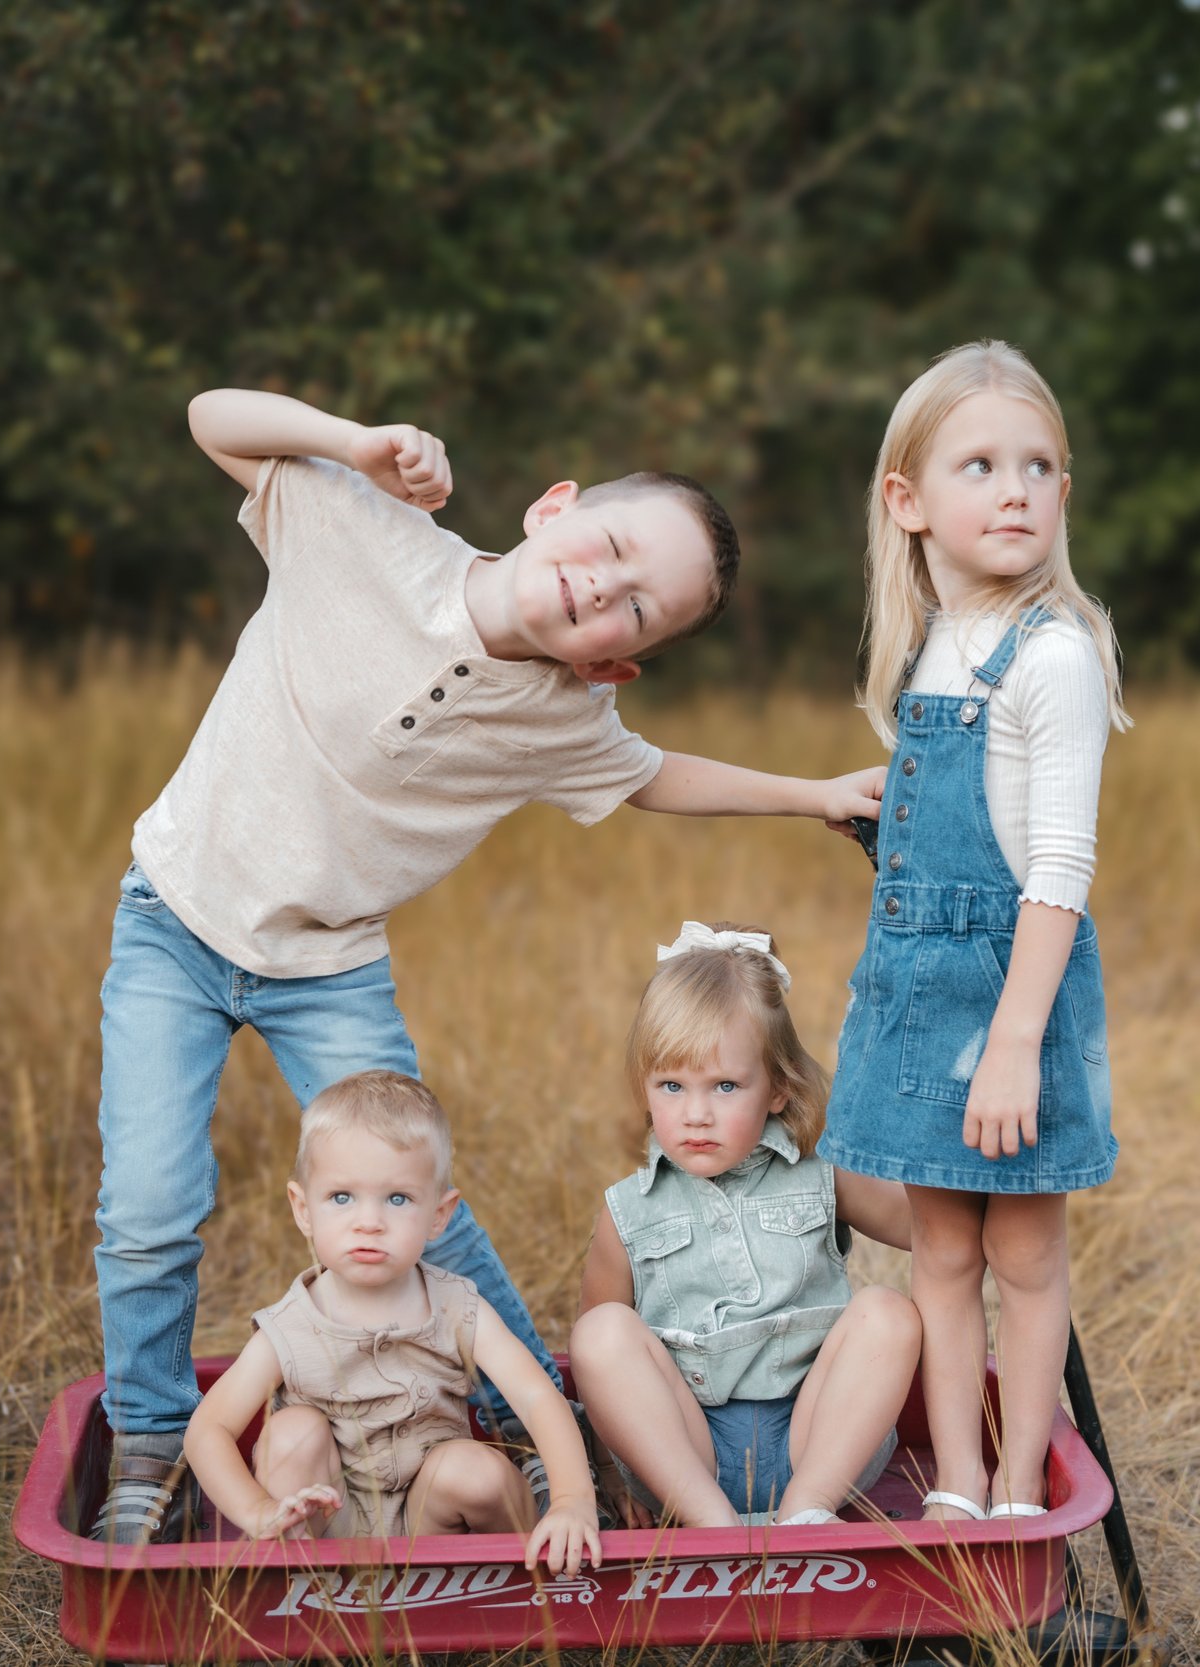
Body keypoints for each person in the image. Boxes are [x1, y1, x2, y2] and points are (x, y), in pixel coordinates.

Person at [92, 389, 884, 1543]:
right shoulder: (366, 529)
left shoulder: (562, 716)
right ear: (553, 507)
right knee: (150, 1206)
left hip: (329, 964)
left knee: (422, 1199)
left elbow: (654, 776)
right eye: (609, 547)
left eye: (635, 607)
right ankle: (151, 1442)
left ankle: (539, 1432)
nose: (602, 588)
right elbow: (213, 417)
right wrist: (353, 443)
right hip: (174, 919)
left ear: (619, 664)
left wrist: (812, 793)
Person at [818, 342, 1130, 1523]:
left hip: (1015, 1000)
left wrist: (1013, 1042)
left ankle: (1013, 1483)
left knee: (1024, 1258)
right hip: (917, 990)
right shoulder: (926, 649)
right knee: (940, 1253)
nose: (1016, 491)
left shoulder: (1053, 656)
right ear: (907, 501)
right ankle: (954, 1475)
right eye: (982, 466)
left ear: (1065, 494)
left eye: (1039, 467)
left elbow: (1057, 869)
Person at [570, 922, 921, 1528]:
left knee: (888, 1312)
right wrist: (604, 1471)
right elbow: (600, 1371)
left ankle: (806, 1512)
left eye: (725, 1086)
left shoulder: (822, 1173)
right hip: (686, 1458)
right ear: (645, 1088)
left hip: (818, 1443)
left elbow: (933, 1233)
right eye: (672, 1086)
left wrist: (917, 1130)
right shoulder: (628, 1210)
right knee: (600, 1332)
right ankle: (714, 1527)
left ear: (779, 1087)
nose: (696, 1114)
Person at [183, 1071, 600, 1575]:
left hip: (436, 1521)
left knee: (477, 1472)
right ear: (303, 1209)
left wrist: (572, 1499)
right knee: (292, 1434)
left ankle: (513, 1586)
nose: (369, 1222)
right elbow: (208, 1430)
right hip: (328, 1520)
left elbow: (536, 1397)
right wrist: (257, 1510)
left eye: (397, 1198)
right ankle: (306, 1583)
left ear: (439, 1215)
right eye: (342, 1197)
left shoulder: (456, 1306)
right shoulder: (290, 1328)